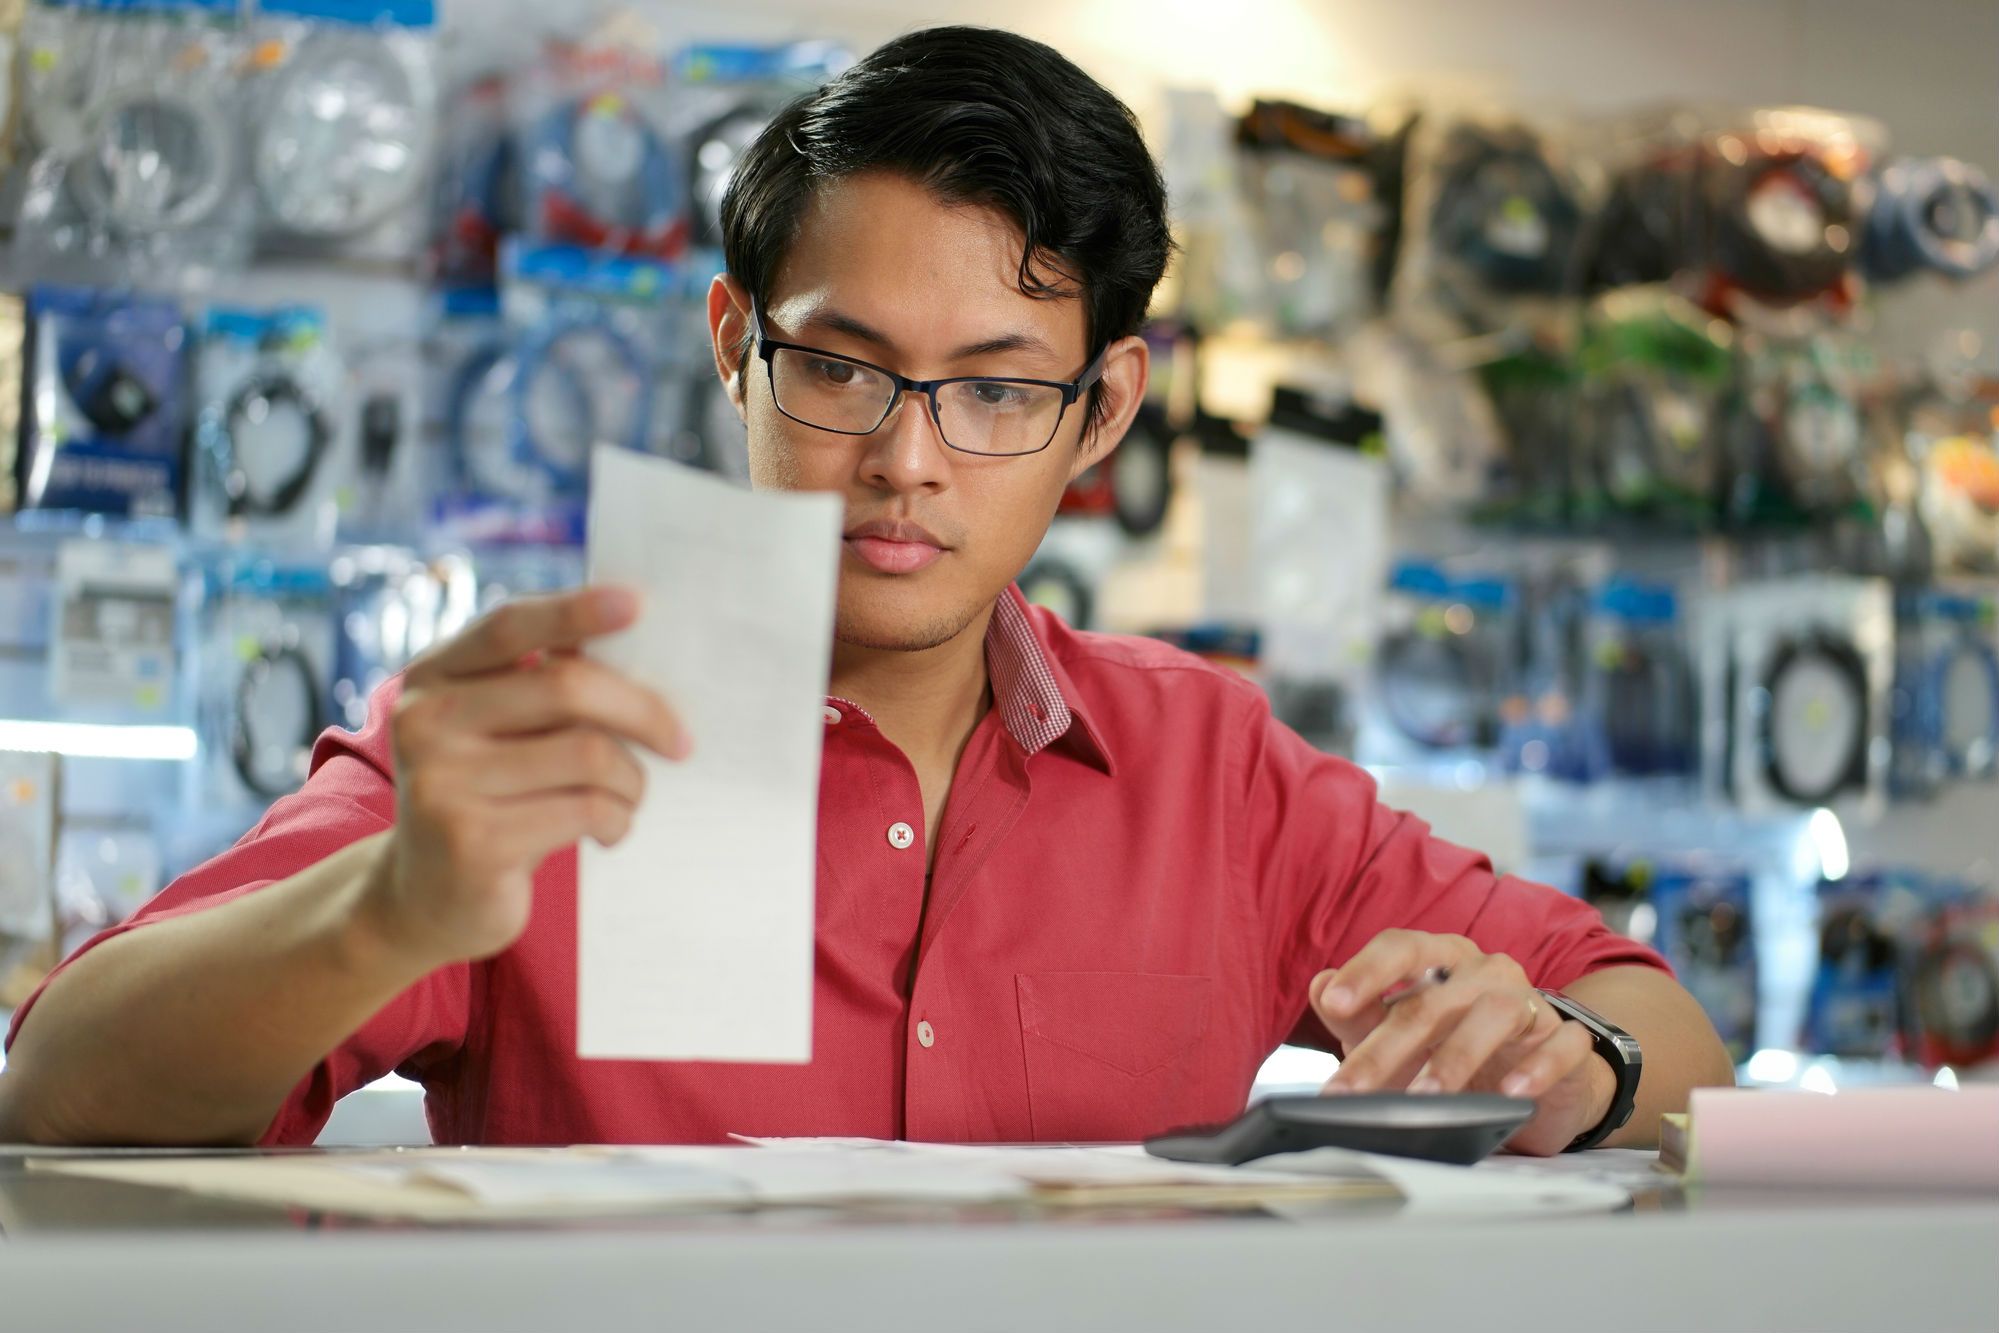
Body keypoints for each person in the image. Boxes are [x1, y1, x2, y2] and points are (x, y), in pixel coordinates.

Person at [0, 26, 1731, 1154]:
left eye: (995, 388)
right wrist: (393, 902)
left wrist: (1574, 1049)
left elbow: (1673, 1025)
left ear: (1103, 411)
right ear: (736, 348)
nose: (907, 461)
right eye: (843, 371)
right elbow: (60, 1091)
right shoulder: (541, 730)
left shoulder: (1220, 771)